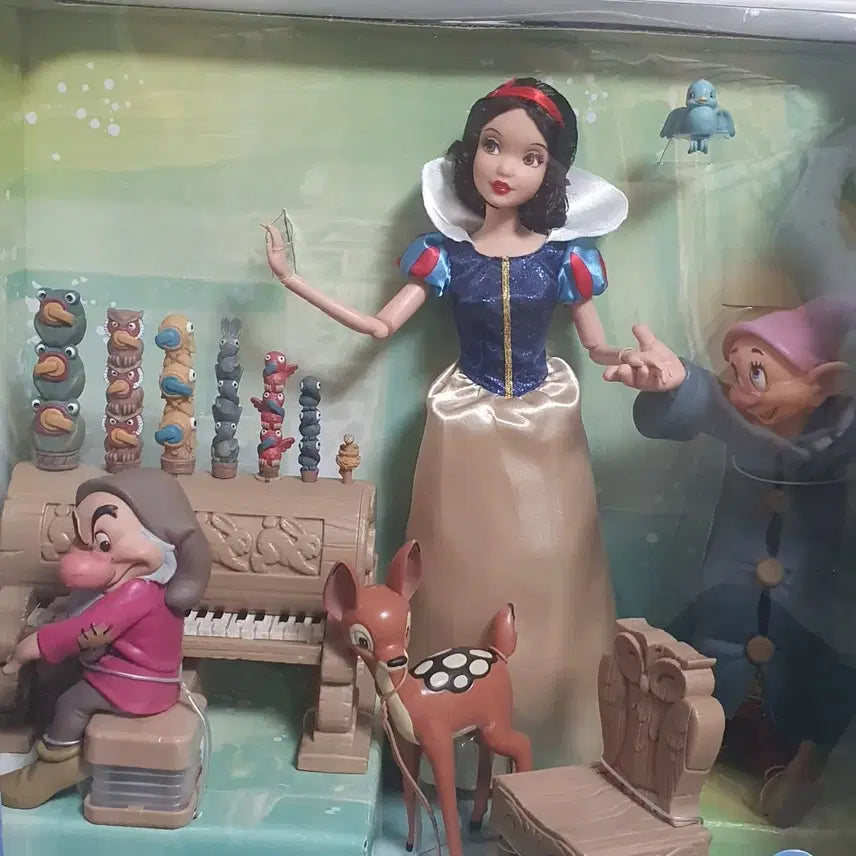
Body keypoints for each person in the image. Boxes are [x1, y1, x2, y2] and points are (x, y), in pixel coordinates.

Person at [263, 78, 665, 770]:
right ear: (470, 151)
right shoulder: (444, 256)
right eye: (492, 146)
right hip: (465, 420)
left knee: (552, 565)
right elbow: (380, 325)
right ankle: (442, 718)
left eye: (530, 157)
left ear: (551, 172)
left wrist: (627, 360)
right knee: (455, 565)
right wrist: (293, 280)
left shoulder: (564, 258)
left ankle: (549, 722)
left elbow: (596, 344)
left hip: (545, 420)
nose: (505, 167)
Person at [606, 302, 856, 827]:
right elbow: (700, 400)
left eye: (758, 375)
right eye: (736, 373)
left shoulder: (841, 436)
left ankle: (802, 768)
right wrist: (674, 384)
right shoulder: (738, 419)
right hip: (727, 607)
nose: (742, 394)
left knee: (821, 683)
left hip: (808, 618)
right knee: (697, 667)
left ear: (824, 384)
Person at [0, 467, 211, 809]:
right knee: (61, 678)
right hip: (145, 677)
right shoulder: (148, 587)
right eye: (86, 541)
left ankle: (55, 766)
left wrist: (31, 647)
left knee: (71, 703)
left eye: (103, 543)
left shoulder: (137, 593)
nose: (86, 556)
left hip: (136, 686)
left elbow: (83, 632)